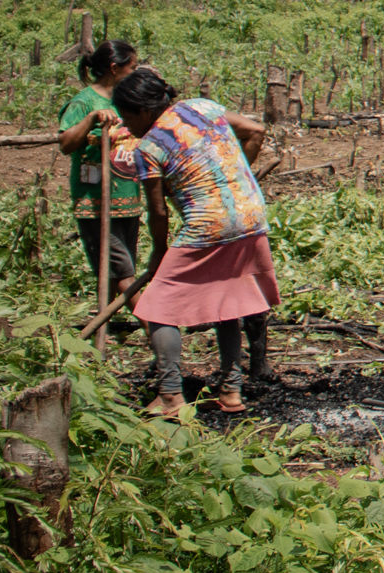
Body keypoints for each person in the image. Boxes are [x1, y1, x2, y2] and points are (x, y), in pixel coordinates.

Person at [112, 70, 275, 417]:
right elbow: (256, 130)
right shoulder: (202, 106)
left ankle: (170, 394)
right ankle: (231, 391)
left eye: (127, 118)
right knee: (227, 302)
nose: (126, 127)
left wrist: (158, 253)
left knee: (155, 308)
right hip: (250, 214)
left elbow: (158, 213)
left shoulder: (150, 145)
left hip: (209, 222)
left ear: (142, 111)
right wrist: (229, 172)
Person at [56, 39, 156, 321]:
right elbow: (65, 144)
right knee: (122, 270)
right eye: (132, 67)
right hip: (96, 199)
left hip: (127, 194)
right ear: (114, 68)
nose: (136, 72)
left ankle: (104, 322)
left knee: (117, 269)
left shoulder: (127, 99)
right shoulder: (84, 102)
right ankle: (154, 324)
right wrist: (90, 120)